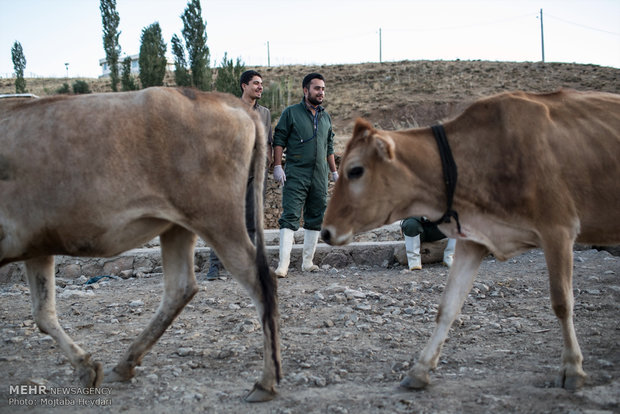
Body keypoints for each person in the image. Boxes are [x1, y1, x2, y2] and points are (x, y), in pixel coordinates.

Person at [206, 70, 273, 280]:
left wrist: (268, 163)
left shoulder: (266, 113)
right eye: (255, 83)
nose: (260, 87)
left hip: (256, 174)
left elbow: (268, 141)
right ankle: (215, 266)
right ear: (244, 86)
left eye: (261, 83)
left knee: (253, 223)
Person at [272, 73, 338, 278]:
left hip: (320, 174)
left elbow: (329, 146)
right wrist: (277, 165)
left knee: (316, 215)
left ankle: (307, 262)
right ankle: (283, 266)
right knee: (290, 216)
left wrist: (334, 172)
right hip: (296, 173)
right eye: (317, 88)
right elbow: (279, 139)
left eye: (323, 89)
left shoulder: (325, 116)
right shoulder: (291, 113)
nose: (321, 92)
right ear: (305, 90)